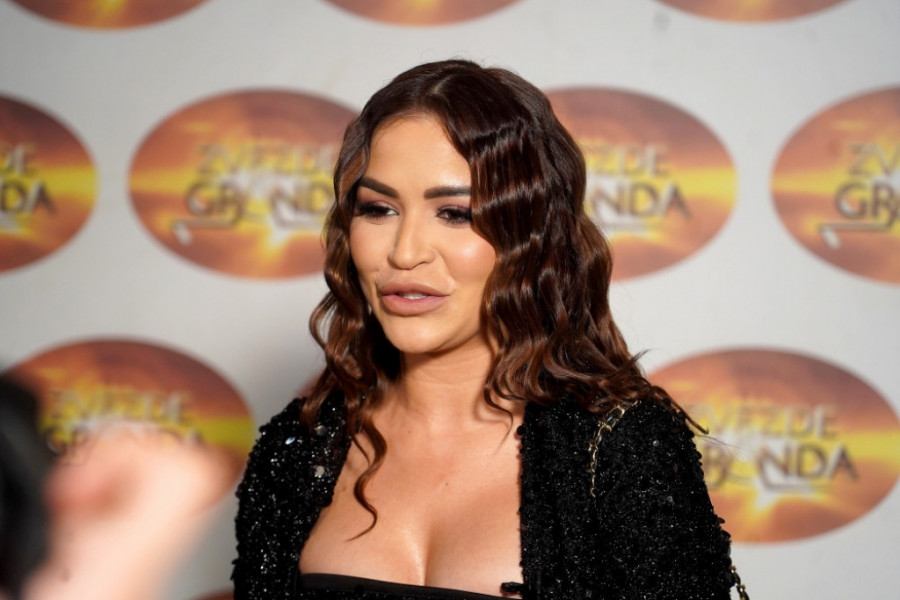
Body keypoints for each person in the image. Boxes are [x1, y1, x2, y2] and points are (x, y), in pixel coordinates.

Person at [232, 59, 739, 600]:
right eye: (378, 209)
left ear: (531, 235)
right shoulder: (300, 446)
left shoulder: (620, 447)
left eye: (455, 213)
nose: (404, 253)